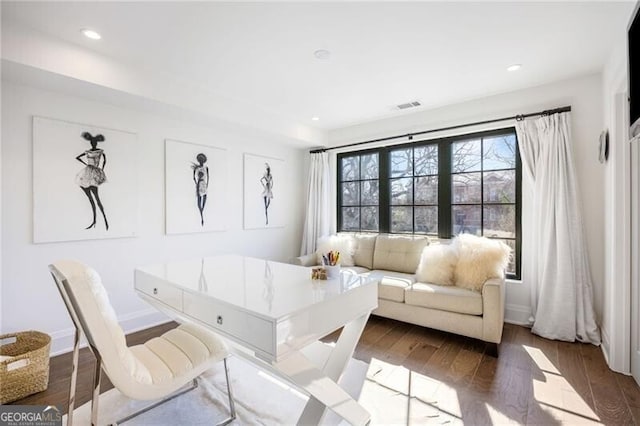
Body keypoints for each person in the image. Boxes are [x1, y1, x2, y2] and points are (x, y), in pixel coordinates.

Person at [75, 132, 108, 230]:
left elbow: (77, 158)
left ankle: (103, 220)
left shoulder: (98, 152)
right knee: (92, 198)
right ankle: (96, 220)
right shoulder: (91, 152)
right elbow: (77, 158)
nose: (93, 144)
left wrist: (101, 169)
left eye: (94, 143)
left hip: (92, 173)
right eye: (92, 143)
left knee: (96, 199)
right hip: (89, 172)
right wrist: (100, 168)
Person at [192, 153, 209, 226]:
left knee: (204, 198)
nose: (201, 161)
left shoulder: (206, 168)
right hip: (199, 184)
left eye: (202, 160)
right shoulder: (197, 168)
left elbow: (208, 178)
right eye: (200, 160)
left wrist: (206, 185)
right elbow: (193, 178)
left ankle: (202, 214)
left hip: (203, 184)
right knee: (199, 200)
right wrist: (197, 183)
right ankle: (201, 216)